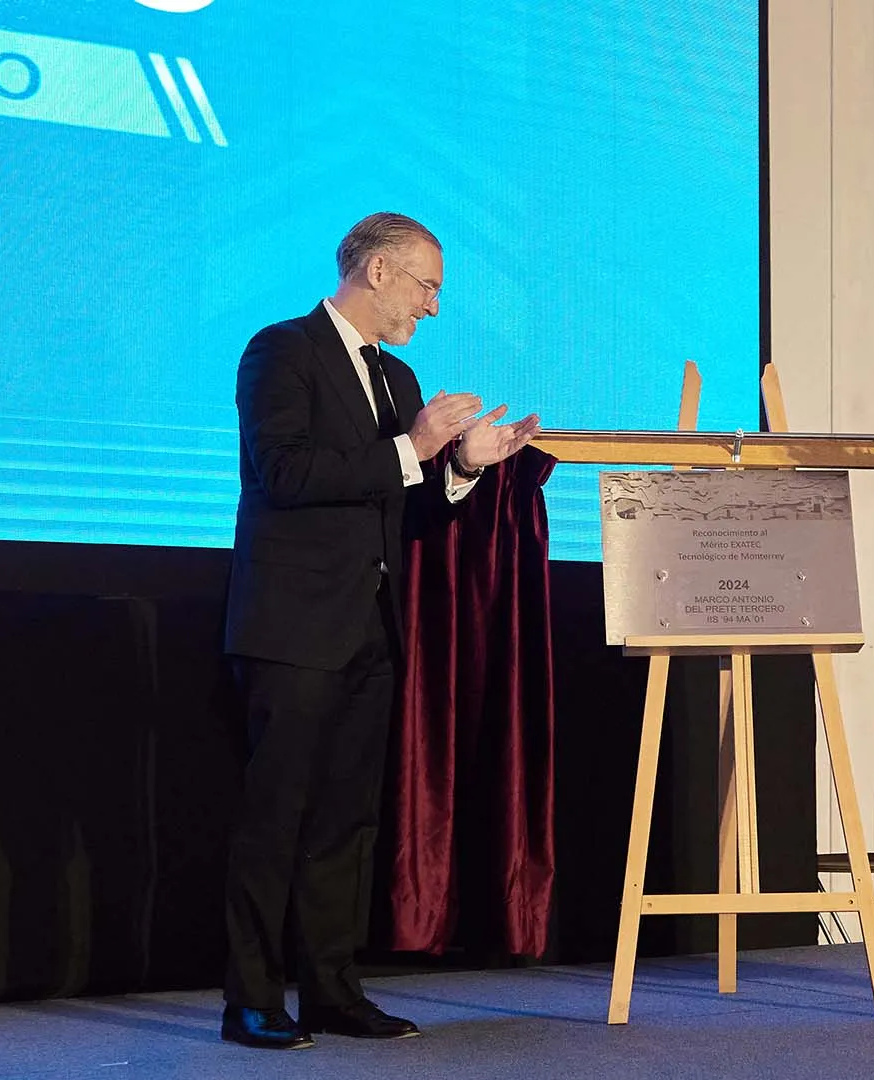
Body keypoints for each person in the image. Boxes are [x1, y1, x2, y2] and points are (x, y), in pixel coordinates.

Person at [220, 212, 540, 1049]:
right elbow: (283, 474)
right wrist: (415, 444)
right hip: (290, 628)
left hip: (369, 631)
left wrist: (464, 466)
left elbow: (407, 516)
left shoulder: (398, 382)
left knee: (346, 826)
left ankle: (331, 991)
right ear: (378, 271)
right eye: (428, 286)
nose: (433, 308)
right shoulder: (281, 351)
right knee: (275, 818)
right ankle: (252, 998)